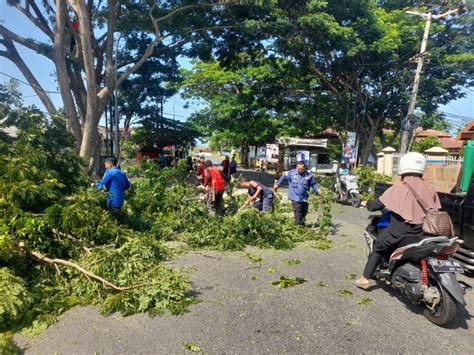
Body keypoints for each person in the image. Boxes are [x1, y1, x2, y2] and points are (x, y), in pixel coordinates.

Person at [355, 152, 441, 290]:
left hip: (400, 231)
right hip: (424, 231)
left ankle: (365, 279)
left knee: (379, 245)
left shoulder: (400, 187)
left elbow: (377, 205)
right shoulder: (429, 187)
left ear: (402, 171)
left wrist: (367, 203)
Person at [273, 161, 319, 225]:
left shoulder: (309, 176)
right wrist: (277, 184)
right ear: (296, 167)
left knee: (304, 211)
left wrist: (318, 190)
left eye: (301, 169)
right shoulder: (291, 173)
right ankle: (298, 225)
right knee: (298, 211)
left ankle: (300, 222)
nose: (300, 170)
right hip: (295, 197)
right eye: (298, 169)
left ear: (304, 168)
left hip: (305, 197)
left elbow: (313, 184)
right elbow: (283, 176)